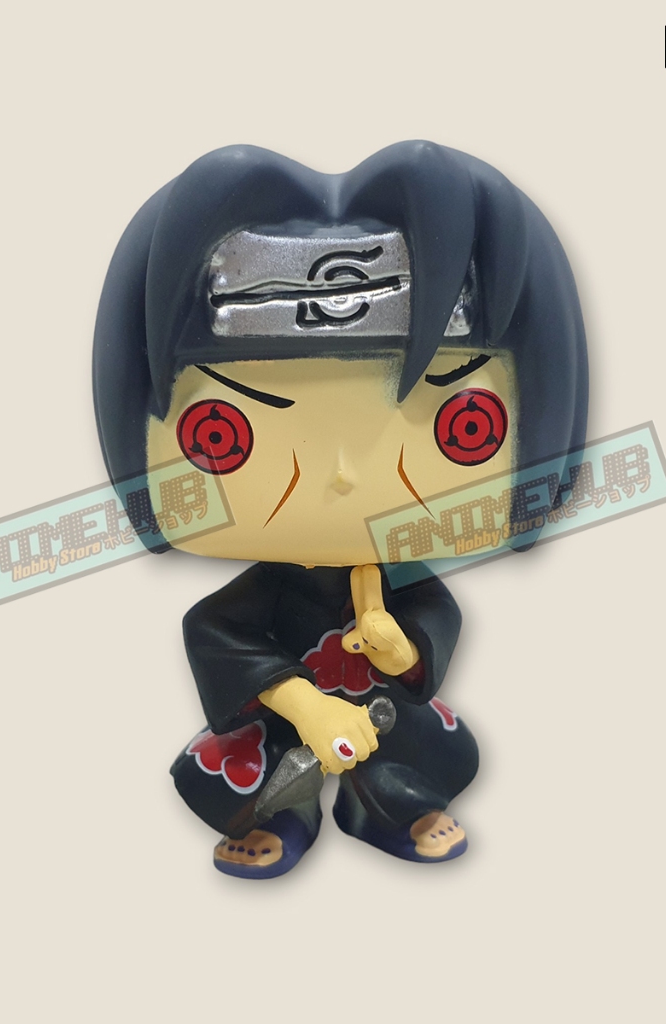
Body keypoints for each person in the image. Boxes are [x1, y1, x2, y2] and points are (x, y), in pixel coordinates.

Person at [93, 141, 588, 877]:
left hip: (382, 714)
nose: (343, 477)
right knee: (257, 770)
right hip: (281, 723)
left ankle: (381, 805)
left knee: (409, 748)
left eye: (465, 428)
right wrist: (307, 705)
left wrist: (403, 651)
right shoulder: (269, 590)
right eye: (221, 435)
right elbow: (217, 634)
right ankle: (287, 813)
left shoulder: (401, 578)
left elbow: (434, 616)